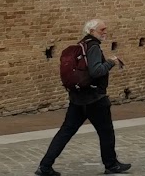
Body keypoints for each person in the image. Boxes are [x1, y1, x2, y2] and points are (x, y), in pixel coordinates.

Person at [36, 19, 131, 175]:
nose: (105, 32)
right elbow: (96, 71)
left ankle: (44, 166)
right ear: (91, 31)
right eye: (102, 30)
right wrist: (110, 62)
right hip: (94, 99)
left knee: (65, 132)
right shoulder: (92, 47)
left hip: (77, 99)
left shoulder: (80, 46)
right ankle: (111, 165)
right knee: (106, 132)